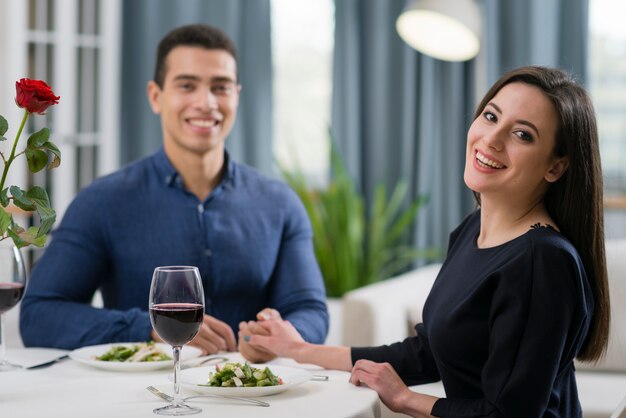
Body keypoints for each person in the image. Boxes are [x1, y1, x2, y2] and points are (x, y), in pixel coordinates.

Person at [241, 66, 611, 417]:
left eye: (522, 134)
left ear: (555, 167)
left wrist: (404, 399)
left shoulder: (542, 261)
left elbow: (507, 413)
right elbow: (429, 352)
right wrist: (298, 349)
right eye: (491, 116)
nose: (492, 139)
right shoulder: (471, 231)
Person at [19, 24, 328, 360]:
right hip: (140, 402)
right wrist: (148, 328)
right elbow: (38, 315)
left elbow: (310, 311)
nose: (206, 102)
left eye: (220, 87)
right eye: (187, 85)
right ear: (156, 96)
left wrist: (281, 335)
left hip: (253, 399)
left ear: (236, 96)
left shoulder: (281, 205)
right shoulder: (102, 202)